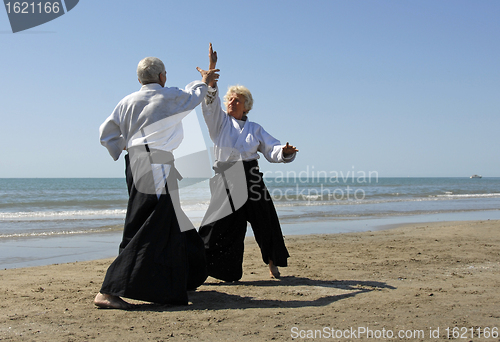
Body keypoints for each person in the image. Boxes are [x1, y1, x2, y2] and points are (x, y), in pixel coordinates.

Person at [95, 57, 219, 309]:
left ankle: (187, 276)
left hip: (135, 161)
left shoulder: (126, 101)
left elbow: (106, 134)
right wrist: (204, 80)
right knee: (150, 222)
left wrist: (126, 146)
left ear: (139, 79)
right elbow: (194, 95)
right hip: (156, 162)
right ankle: (108, 290)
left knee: (166, 219)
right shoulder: (169, 96)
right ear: (162, 77)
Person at [196, 44, 298, 282]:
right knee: (217, 225)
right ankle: (206, 268)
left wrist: (284, 151)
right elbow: (209, 105)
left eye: (237, 100)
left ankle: (273, 264)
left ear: (246, 105)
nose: (232, 102)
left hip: (251, 176)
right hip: (226, 177)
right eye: (230, 98)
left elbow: (271, 148)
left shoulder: (255, 128)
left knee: (265, 219)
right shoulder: (218, 122)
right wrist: (210, 72)